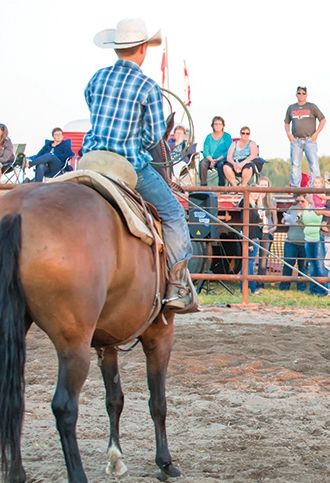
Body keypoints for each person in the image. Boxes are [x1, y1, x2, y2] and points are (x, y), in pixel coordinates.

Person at [83, 18, 198, 314]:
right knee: (173, 214)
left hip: (91, 160)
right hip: (127, 164)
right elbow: (153, 137)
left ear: (116, 48)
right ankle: (176, 286)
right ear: (143, 49)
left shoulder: (97, 78)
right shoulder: (147, 86)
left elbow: (92, 108)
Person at [284, 86, 326, 187]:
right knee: (295, 165)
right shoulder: (291, 108)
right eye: (299, 93)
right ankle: (295, 188)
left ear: (306, 95)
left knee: (314, 164)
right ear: (296, 94)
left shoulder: (311, 107)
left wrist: (316, 133)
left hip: (309, 140)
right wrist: (289, 134)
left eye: (303, 93)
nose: (301, 95)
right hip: (296, 140)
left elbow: (323, 119)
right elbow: (286, 122)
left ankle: (315, 187)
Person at [300, 193, 328, 296]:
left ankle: (322, 289)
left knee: (319, 264)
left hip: (317, 239)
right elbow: (304, 223)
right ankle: (313, 288)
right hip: (308, 239)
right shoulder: (306, 209)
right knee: (312, 265)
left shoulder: (320, 208)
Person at [237, 187, 264, 295]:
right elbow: (246, 225)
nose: (255, 194)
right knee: (250, 264)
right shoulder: (248, 206)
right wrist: (248, 242)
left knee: (248, 263)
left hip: (253, 237)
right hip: (251, 238)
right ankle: (252, 288)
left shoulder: (253, 206)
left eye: (257, 192)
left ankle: (243, 287)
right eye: (253, 192)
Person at [280, 194, 308, 292]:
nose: (300, 203)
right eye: (298, 201)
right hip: (291, 241)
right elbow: (285, 218)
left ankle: (301, 288)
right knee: (288, 264)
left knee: (303, 267)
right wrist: (284, 219)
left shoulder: (310, 210)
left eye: (302, 201)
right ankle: (284, 287)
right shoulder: (293, 208)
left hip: (304, 242)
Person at [255, 176, 278, 289]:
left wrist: (272, 228)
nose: (263, 187)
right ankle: (247, 281)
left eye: (265, 185)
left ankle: (260, 283)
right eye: (261, 185)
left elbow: (275, 219)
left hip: (266, 231)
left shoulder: (271, 200)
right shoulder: (254, 198)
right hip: (255, 230)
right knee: (250, 257)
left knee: (263, 258)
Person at [198, 116, 233, 186]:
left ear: (223, 125)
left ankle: (221, 187)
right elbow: (205, 151)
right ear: (213, 125)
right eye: (216, 124)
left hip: (221, 158)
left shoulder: (227, 136)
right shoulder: (208, 137)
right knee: (202, 163)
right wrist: (211, 160)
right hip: (210, 159)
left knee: (221, 165)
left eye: (220, 124)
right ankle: (203, 186)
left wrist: (217, 160)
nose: (218, 126)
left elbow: (229, 151)